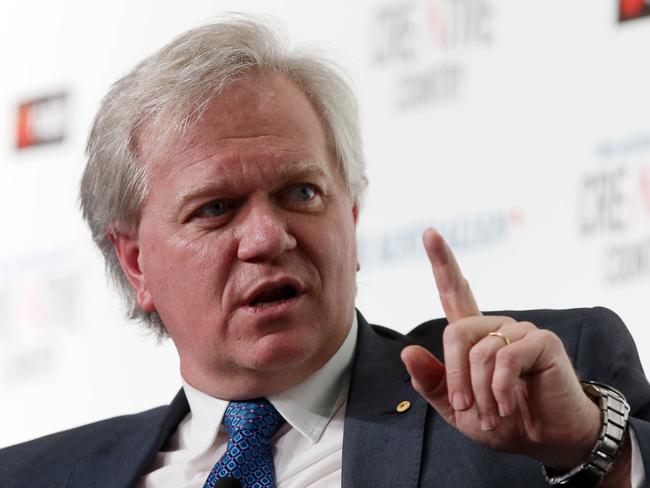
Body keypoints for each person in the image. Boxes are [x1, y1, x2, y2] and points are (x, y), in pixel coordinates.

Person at [1, 15, 648, 488]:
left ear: (353, 216)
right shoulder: (34, 475)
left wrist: (596, 448)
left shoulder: (533, 393)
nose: (267, 237)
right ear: (136, 263)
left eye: (300, 192)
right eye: (216, 209)